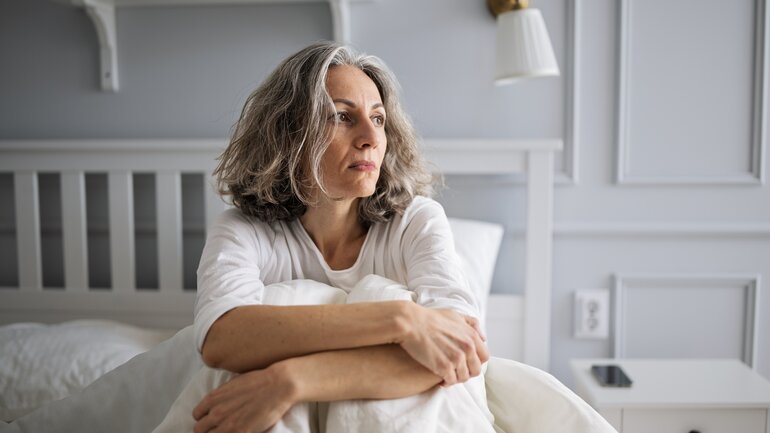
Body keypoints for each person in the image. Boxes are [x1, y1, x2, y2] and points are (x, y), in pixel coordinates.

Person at [190, 41, 491, 433]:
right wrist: (400, 320)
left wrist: (290, 382)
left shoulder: (415, 221)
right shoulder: (244, 230)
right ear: (290, 134)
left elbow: (460, 352)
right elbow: (221, 339)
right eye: (343, 117)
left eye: (379, 119)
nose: (370, 137)